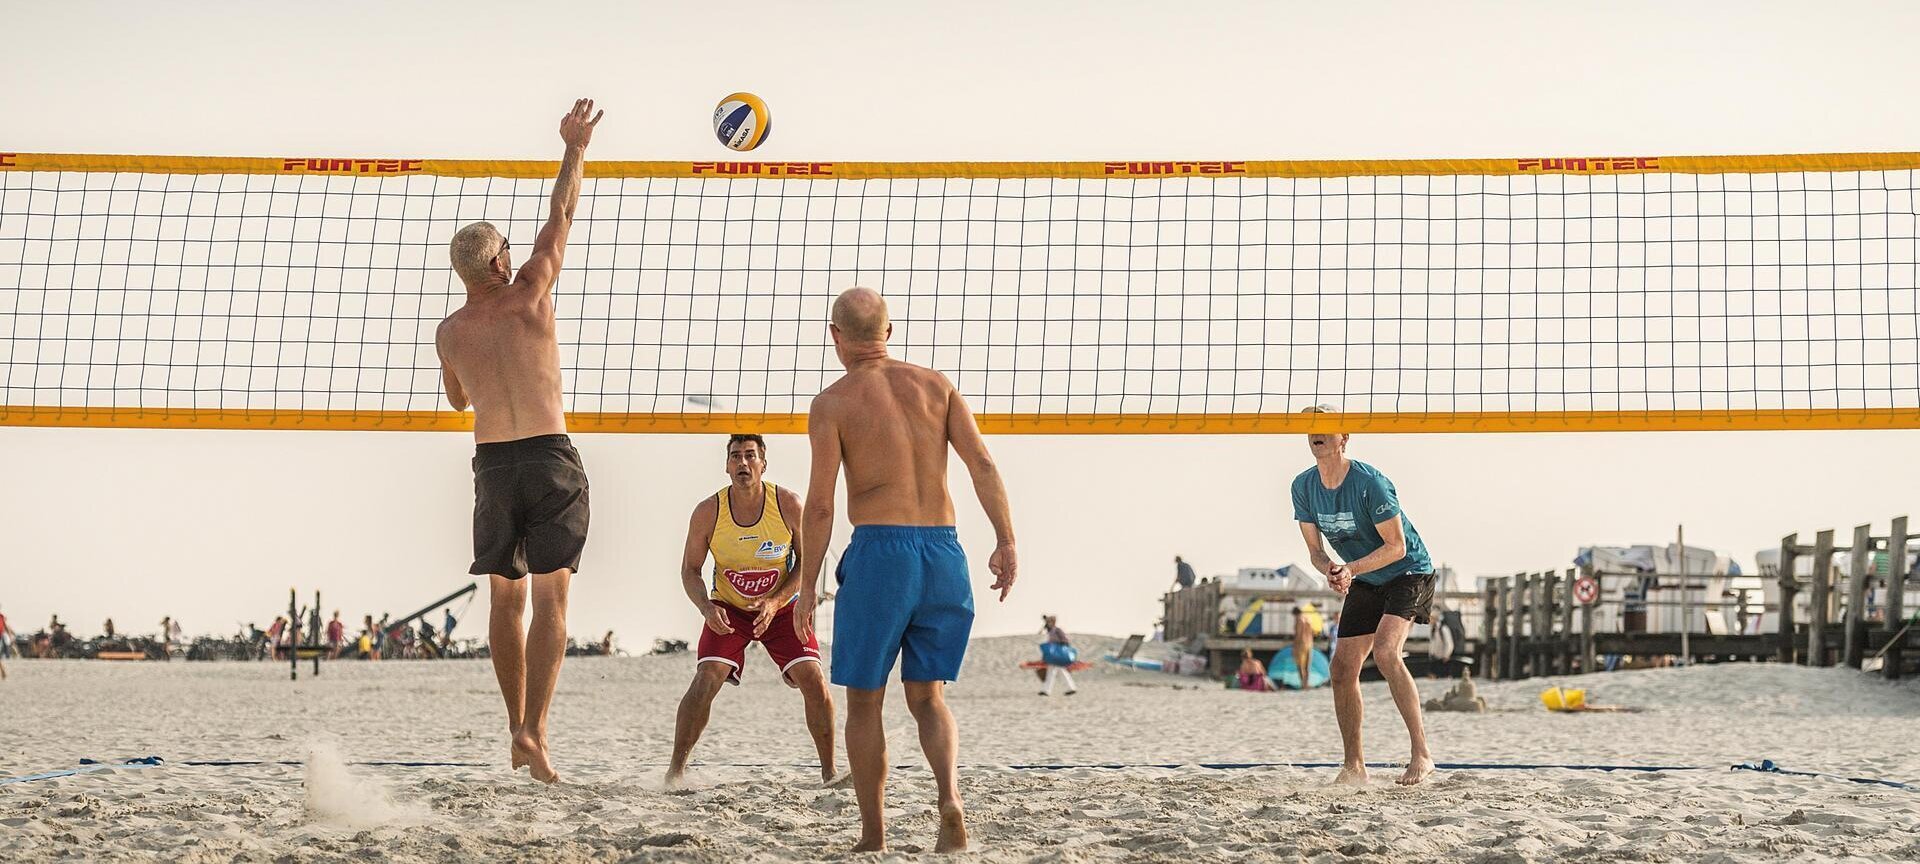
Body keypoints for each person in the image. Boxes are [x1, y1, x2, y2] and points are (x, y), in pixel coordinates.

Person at [795, 287, 1018, 853]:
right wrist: (1006, 540)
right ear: (888, 333)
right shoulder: (937, 385)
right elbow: (983, 464)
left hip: (880, 553)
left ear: (835, 336)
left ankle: (874, 835)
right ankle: (949, 797)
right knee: (928, 696)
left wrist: (805, 588)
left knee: (865, 700)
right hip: (944, 552)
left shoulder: (832, 403)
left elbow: (820, 505)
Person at [436, 99, 603, 784]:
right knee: (552, 598)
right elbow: (561, 216)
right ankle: (536, 731)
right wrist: (573, 148)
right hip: (548, 456)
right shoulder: (532, 288)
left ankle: (513, 729)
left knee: (505, 597)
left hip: (492, 465)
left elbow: (457, 397)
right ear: (501, 261)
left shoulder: (450, 330)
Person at [667, 434, 839, 788]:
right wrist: (705, 607)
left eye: (750, 456)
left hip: (780, 608)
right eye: (735, 457)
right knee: (707, 677)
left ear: (763, 464)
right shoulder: (708, 511)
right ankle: (675, 772)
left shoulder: (788, 503)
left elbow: (809, 563)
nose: (743, 463)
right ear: (727, 466)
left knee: (814, 678)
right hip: (728, 609)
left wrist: (777, 601)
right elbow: (689, 570)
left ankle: (829, 772)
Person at [1293, 405, 1437, 786]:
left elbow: (1397, 547)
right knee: (1341, 670)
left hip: (1409, 571)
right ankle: (1354, 765)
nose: (1316, 433)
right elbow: (1315, 551)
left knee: (1388, 652)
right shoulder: (1303, 487)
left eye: (1326, 427)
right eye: (1311, 427)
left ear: (1344, 438)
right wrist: (1331, 570)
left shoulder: (1369, 483)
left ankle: (1421, 754)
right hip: (1367, 578)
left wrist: (1351, 569)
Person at [1038, 615, 1078, 697]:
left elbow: (1065, 640)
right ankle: (1071, 688)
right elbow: (1042, 631)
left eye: (1049, 621)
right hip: (1055, 655)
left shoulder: (1057, 630)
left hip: (1058, 654)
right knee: (1056, 672)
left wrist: (1058, 645)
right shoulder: (1051, 631)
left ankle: (1046, 691)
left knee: (1052, 672)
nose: (1048, 623)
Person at [1291, 606, 1314, 687]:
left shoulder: (1299, 619)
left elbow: (1298, 634)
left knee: (1300, 664)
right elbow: (1312, 632)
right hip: (1310, 643)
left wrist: (1294, 646)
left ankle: (1303, 683)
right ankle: (1307, 683)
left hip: (1301, 643)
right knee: (1307, 665)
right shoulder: (1308, 619)